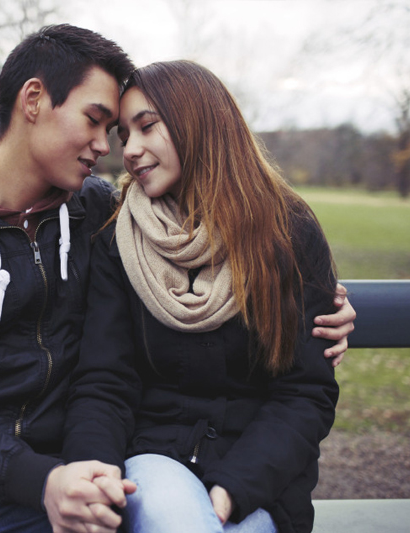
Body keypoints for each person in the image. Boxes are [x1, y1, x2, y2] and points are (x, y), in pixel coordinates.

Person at [0, 26, 354, 533]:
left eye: (121, 129)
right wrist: (44, 481)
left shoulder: (100, 216)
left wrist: (326, 307)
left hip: (73, 483)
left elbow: (216, 244)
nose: (111, 147)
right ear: (34, 100)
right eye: (96, 121)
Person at [63, 60, 342, 533]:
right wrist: (96, 472)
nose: (130, 150)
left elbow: (304, 393)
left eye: (147, 127)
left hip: (258, 478)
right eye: (123, 135)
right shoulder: (119, 236)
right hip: (153, 462)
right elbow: (105, 381)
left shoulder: (289, 232)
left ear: (198, 121)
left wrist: (231, 488)